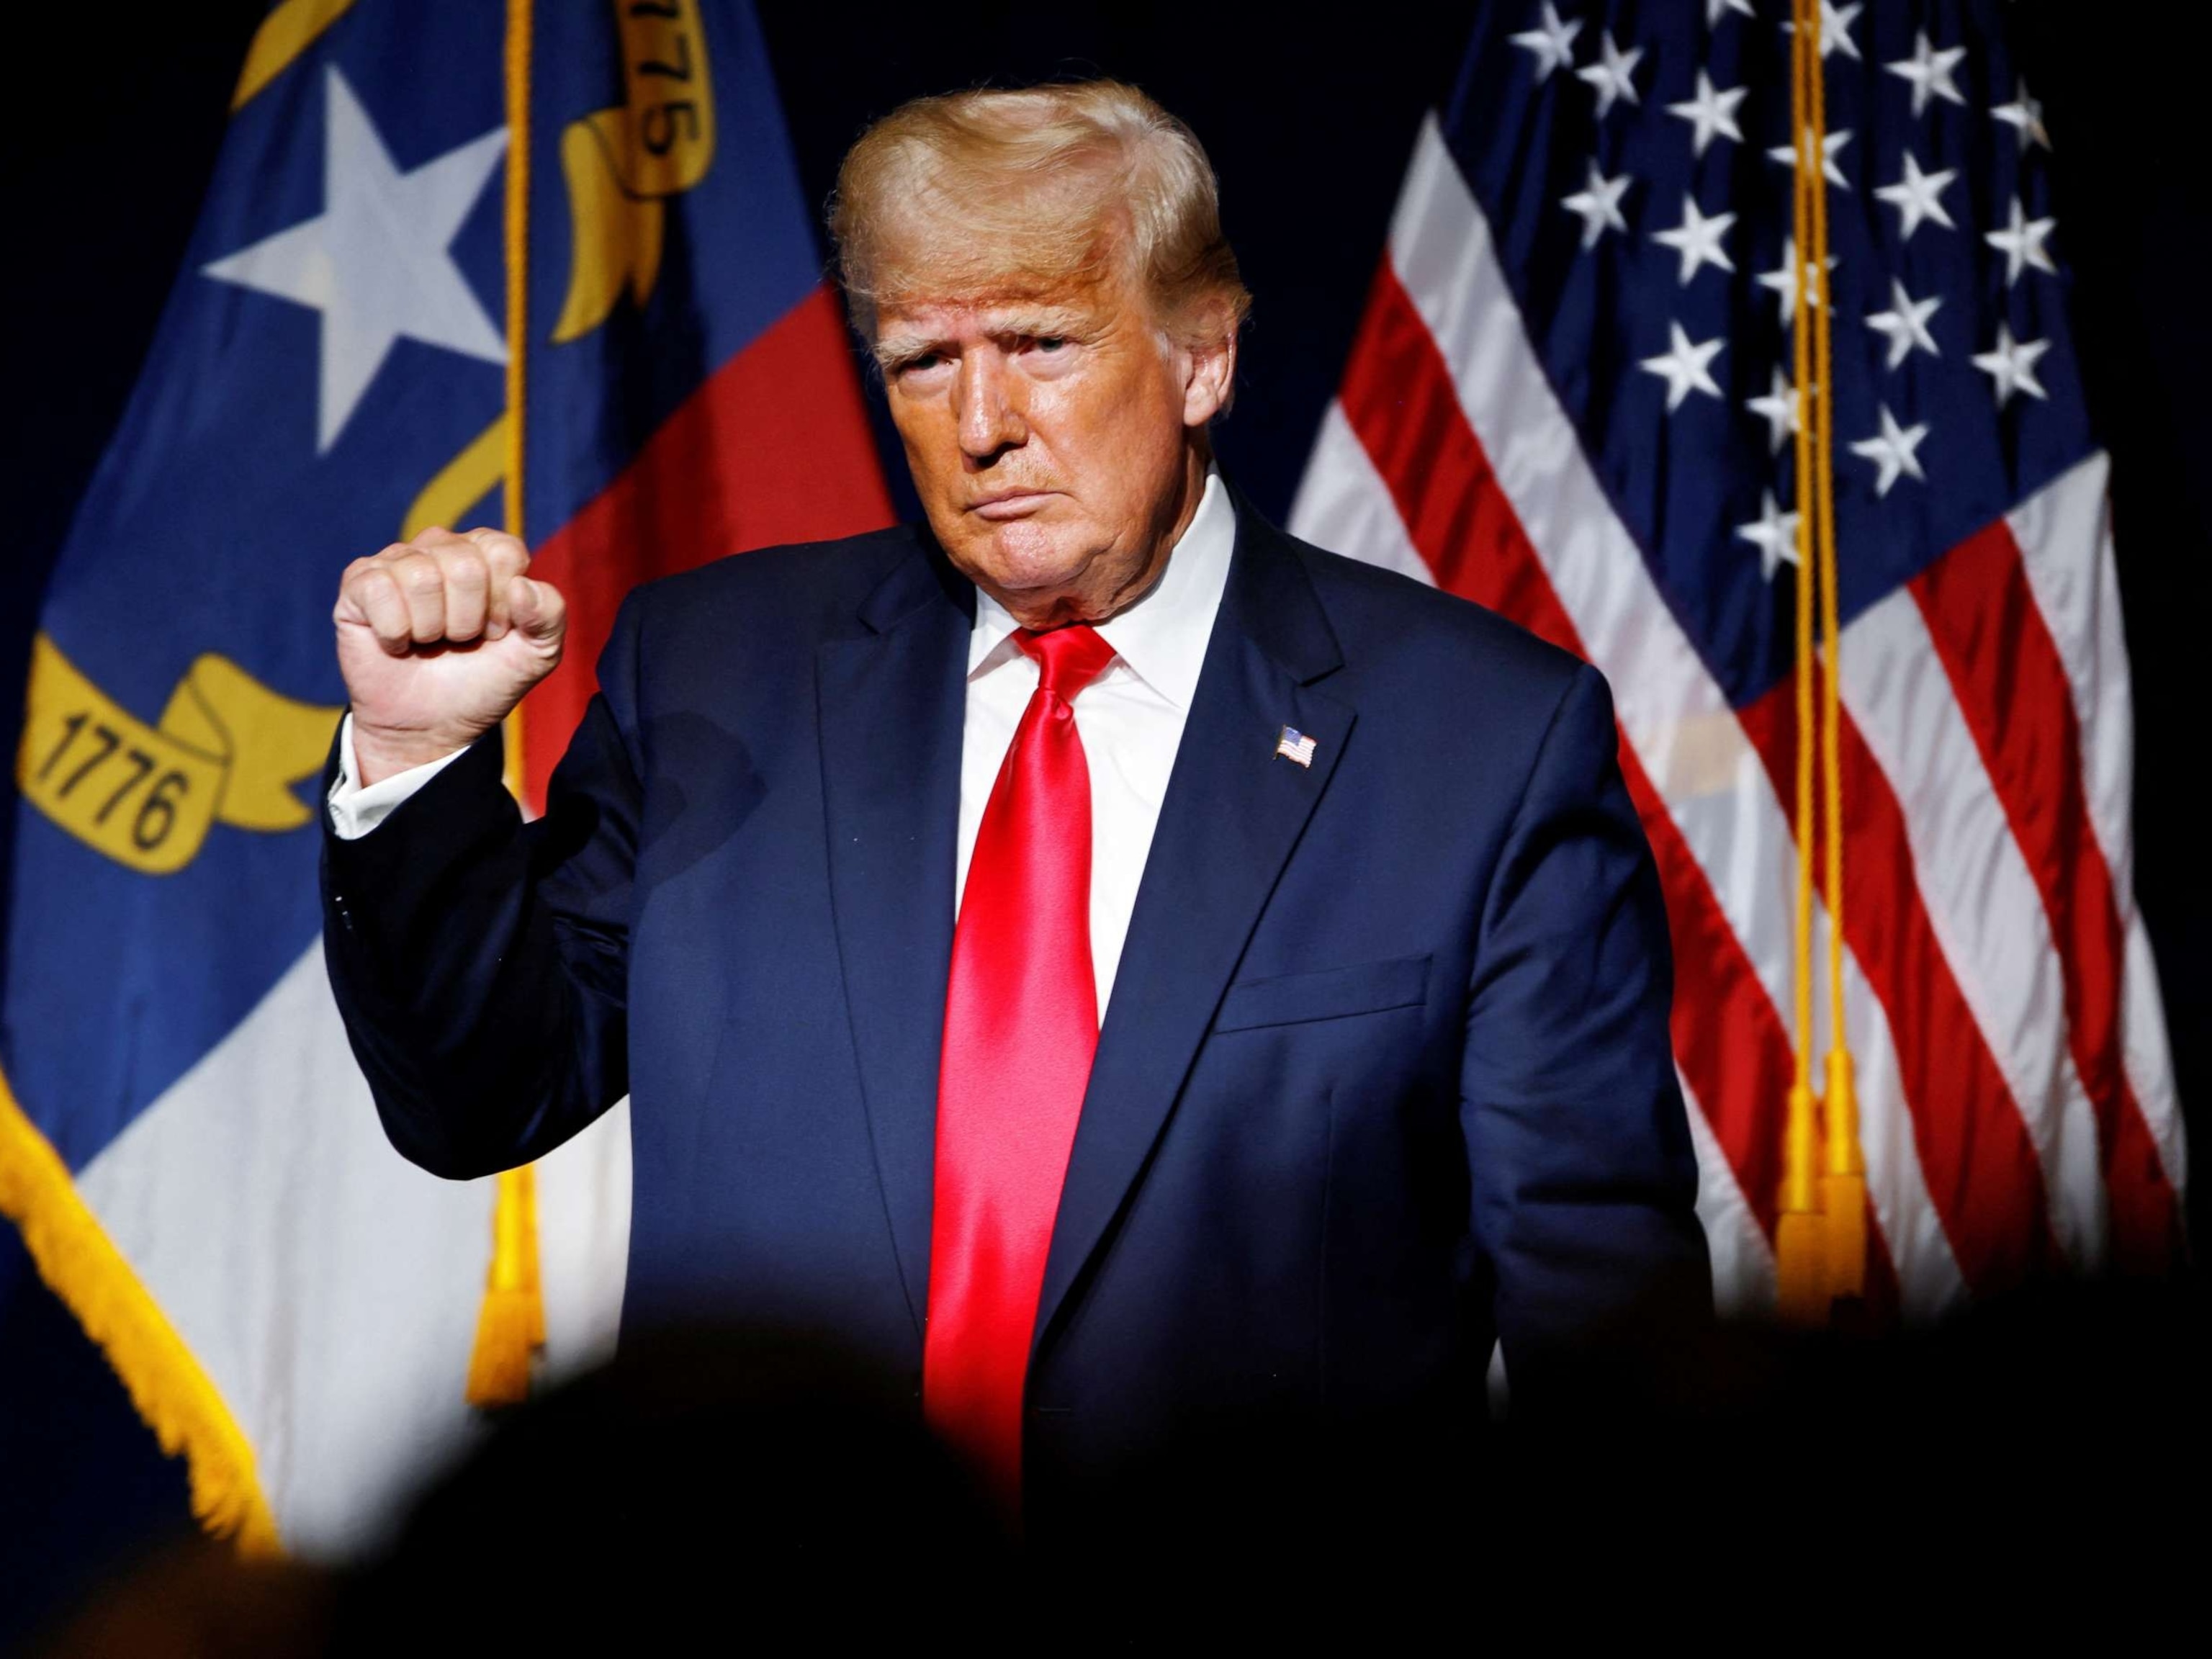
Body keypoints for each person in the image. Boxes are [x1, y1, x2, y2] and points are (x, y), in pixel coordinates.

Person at [321, 79, 1709, 1545]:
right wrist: (416, 761)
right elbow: (480, 1097)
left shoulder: (1479, 741)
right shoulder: (718, 675)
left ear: (1202, 355)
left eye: (1041, 344)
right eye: (923, 361)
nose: (983, 424)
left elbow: (1603, 1334)